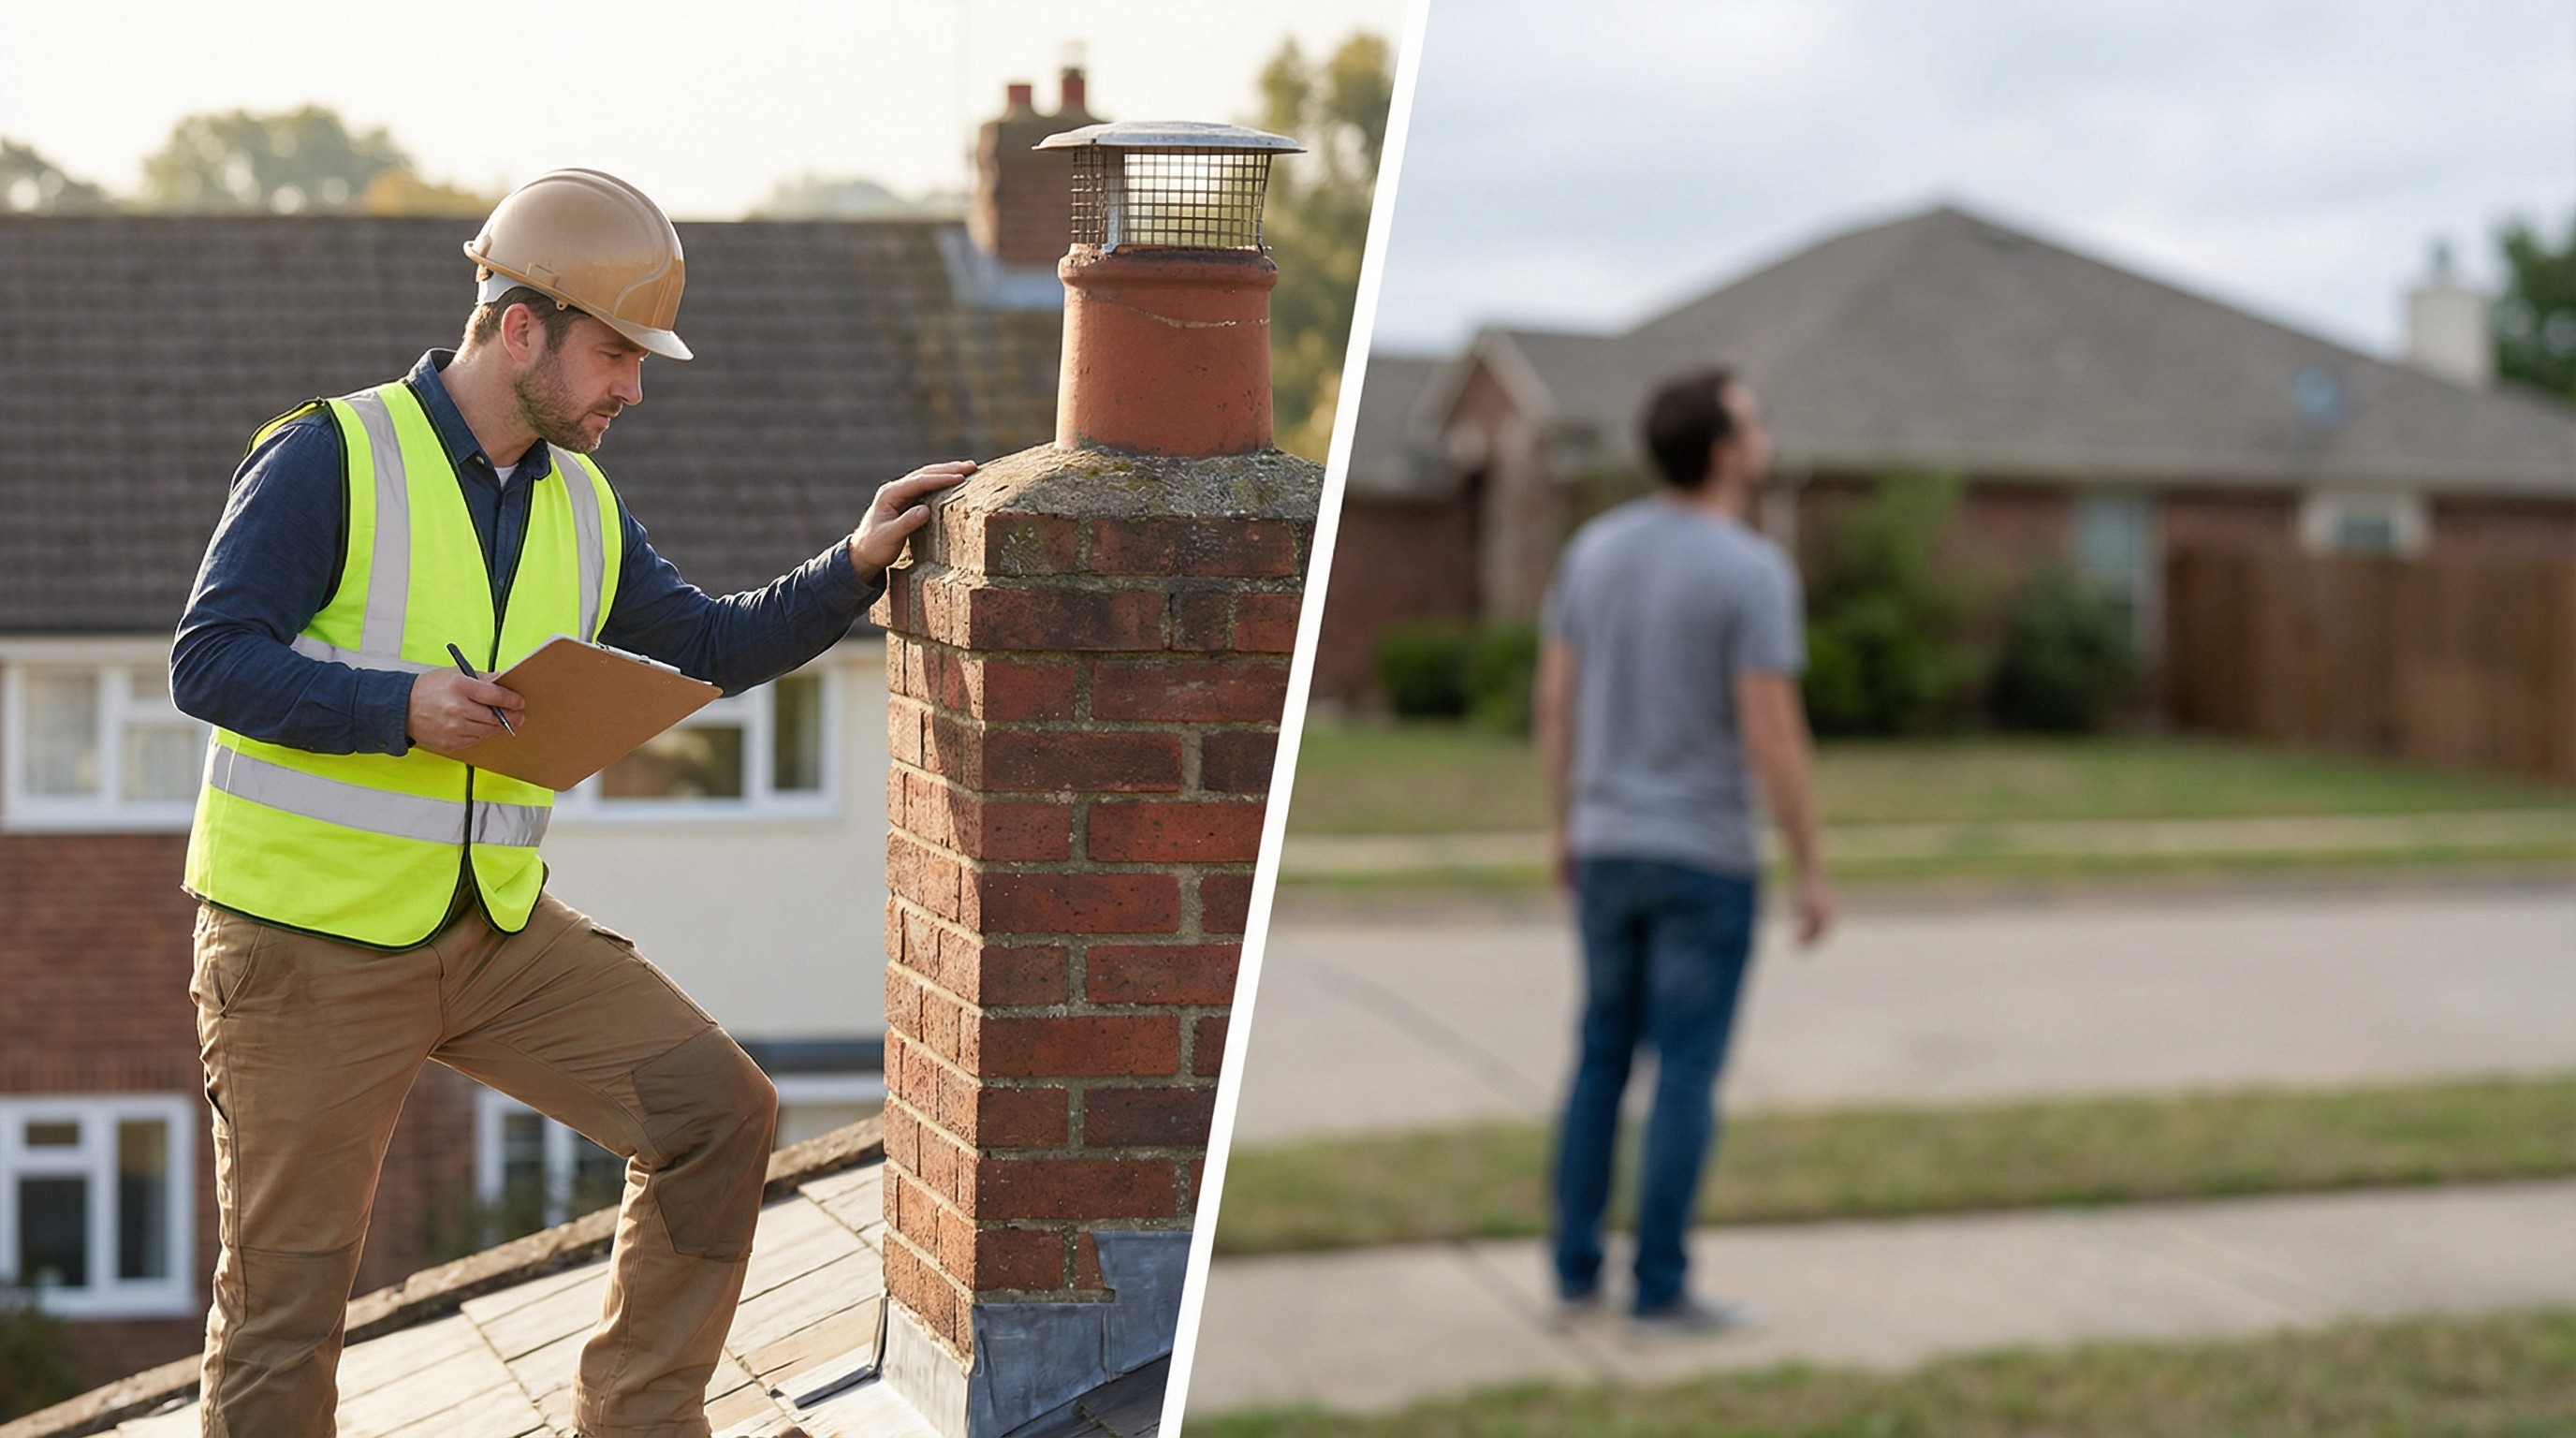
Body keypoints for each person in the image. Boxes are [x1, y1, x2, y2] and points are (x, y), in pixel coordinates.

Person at [169, 169, 971, 1437]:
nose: (632, 390)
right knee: (285, 1312)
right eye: (616, 354)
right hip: (302, 950)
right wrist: (404, 709)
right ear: (520, 324)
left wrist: (853, 564)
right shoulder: (331, 455)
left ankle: (634, 1422)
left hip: (490, 933)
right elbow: (207, 660)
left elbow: (706, 642)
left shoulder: (582, 505)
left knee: (721, 1116)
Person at [1534, 365, 1834, 1331]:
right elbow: (1772, 732)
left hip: (1608, 844)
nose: (1765, 435)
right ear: (1722, 450)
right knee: (1686, 1074)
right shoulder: (1751, 568)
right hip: (1705, 857)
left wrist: (1562, 824)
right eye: (1754, 421)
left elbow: (1556, 700)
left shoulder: (1594, 551)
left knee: (1598, 1061)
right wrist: (1810, 863)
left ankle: (1576, 1270)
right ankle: (1657, 1288)